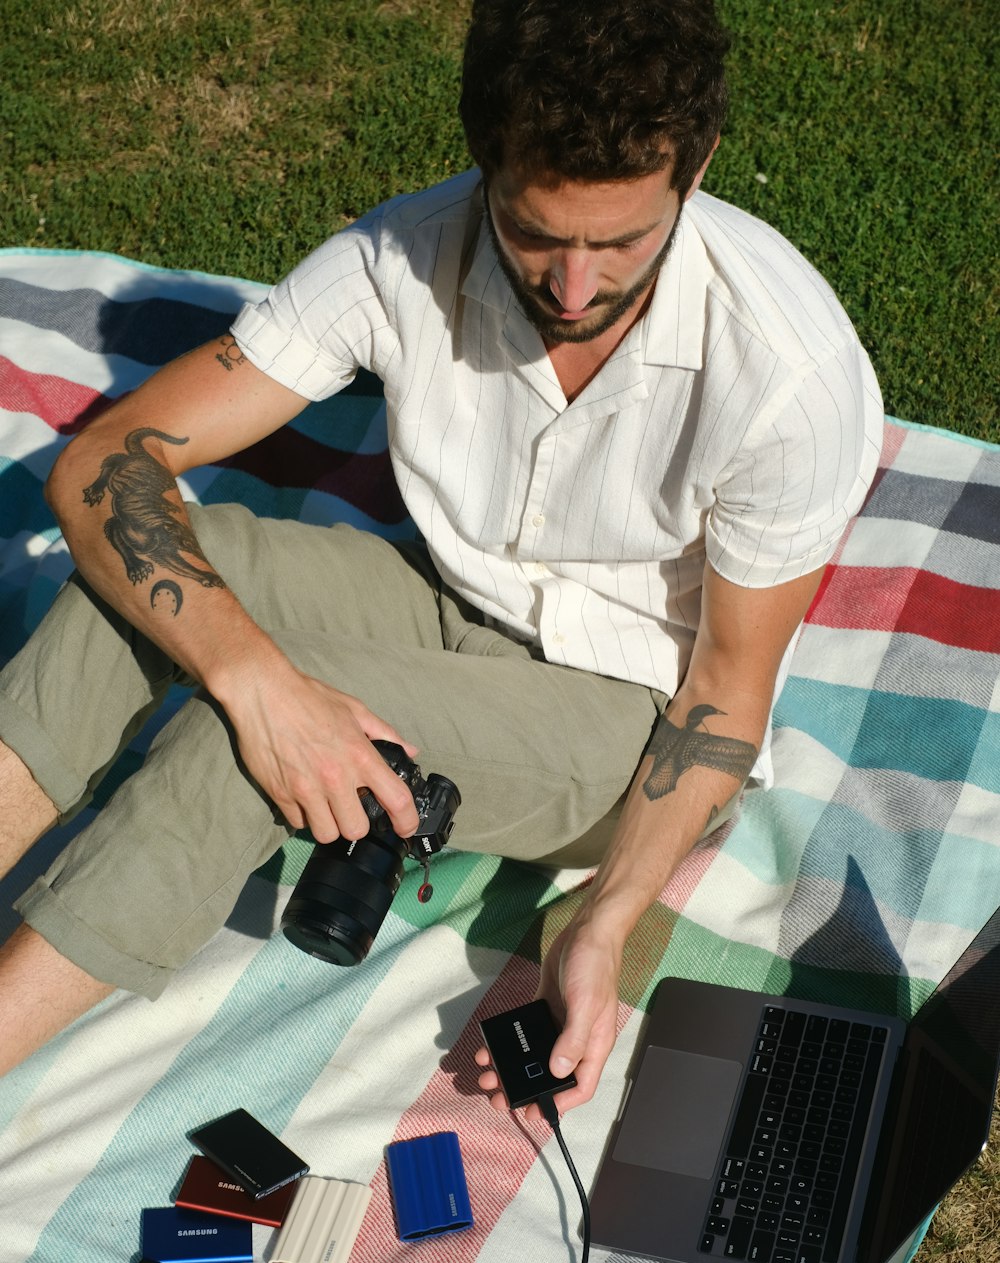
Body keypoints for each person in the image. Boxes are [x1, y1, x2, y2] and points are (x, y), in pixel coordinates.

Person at [0, 0, 882, 1114]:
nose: (574, 287)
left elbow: (722, 692)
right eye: (534, 234)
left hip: (627, 712)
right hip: (443, 598)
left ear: (697, 163)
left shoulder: (787, 375)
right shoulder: (401, 255)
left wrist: (606, 916)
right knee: (159, 577)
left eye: (618, 242)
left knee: (246, 750)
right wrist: (259, 675)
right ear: (483, 165)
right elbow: (106, 463)